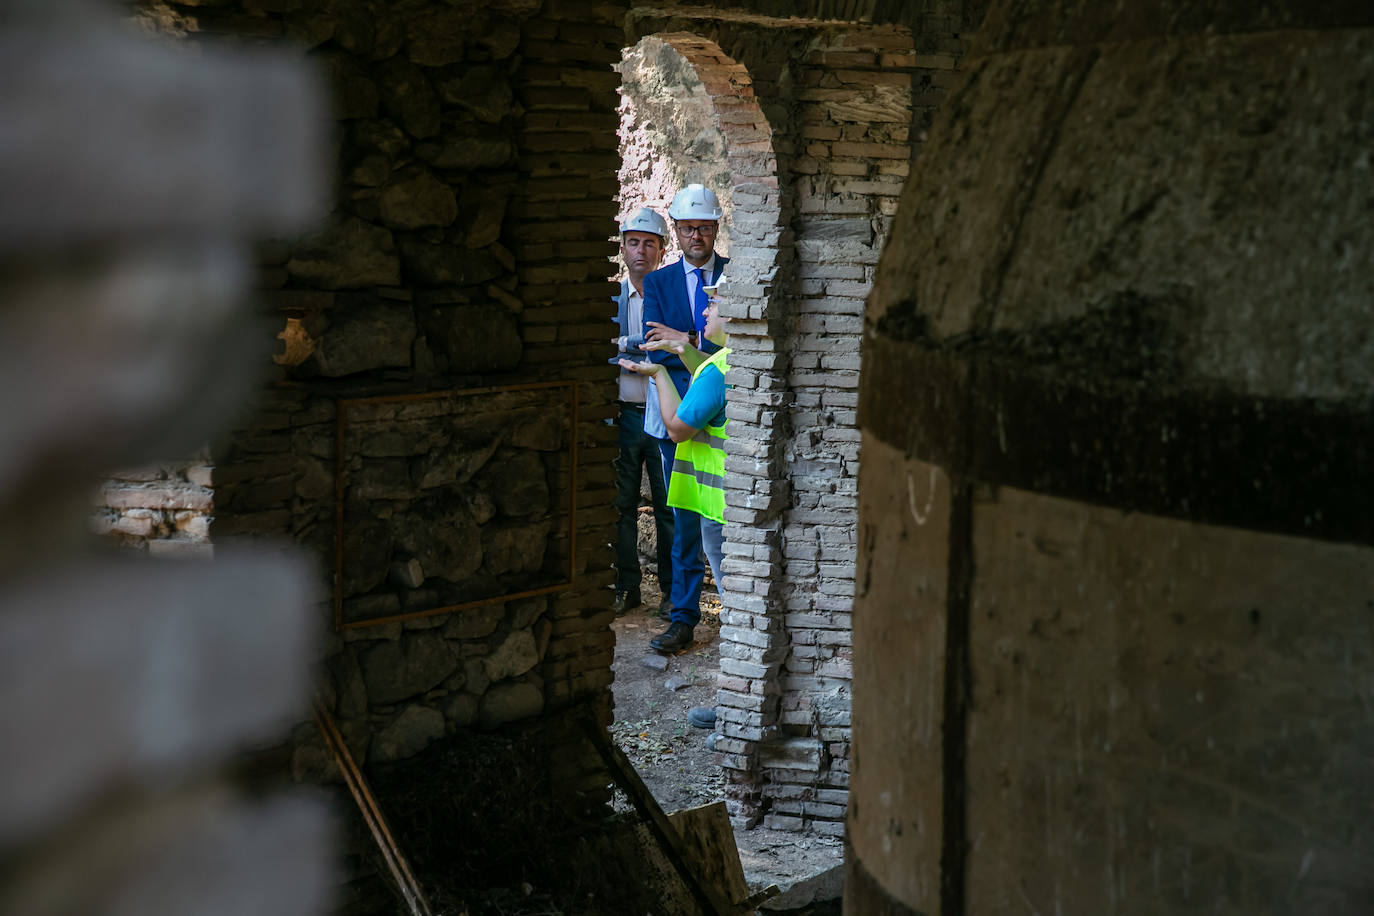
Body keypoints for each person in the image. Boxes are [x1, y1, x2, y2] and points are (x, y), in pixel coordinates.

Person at [622, 275, 731, 652]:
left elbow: (676, 428)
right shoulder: (733, 360)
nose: (705, 310)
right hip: (733, 499)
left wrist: (661, 373)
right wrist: (685, 350)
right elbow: (708, 371)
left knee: (734, 597)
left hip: (716, 504)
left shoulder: (718, 372)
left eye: (713, 304)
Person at [641, 184, 729, 645]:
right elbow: (657, 344)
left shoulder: (736, 277)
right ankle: (684, 616)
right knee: (683, 518)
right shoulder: (659, 282)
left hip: (719, 415)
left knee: (718, 516)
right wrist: (693, 343)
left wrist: (687, 341)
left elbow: (735, 344)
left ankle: (734, 607)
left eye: (705, 227)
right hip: (675, 413)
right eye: (688, 227)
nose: (696, 234)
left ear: (716, 228)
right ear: (676, 231)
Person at [610, 208, 676, 617]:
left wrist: (626, 345)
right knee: (621, 505)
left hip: (662, 414)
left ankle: (672, 594)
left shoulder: (667, 294)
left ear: (661, 250)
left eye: (649, 243)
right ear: (622, 248)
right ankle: (627, 586)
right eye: (633, 242)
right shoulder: (612, 297)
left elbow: (668, 348)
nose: (641, 251)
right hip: (623, 415)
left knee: (669, 505)